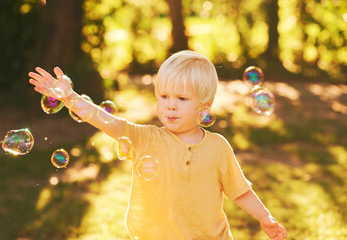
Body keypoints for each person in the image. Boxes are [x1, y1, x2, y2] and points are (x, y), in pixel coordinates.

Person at [29, 50, 287, 240]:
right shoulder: (145, 138)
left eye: (182, 98)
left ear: (204, 107)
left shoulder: (218, 148)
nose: (170, 105)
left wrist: (264, 216)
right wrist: (70, 97)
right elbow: (105, 120)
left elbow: (239, 190)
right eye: (164, 96)